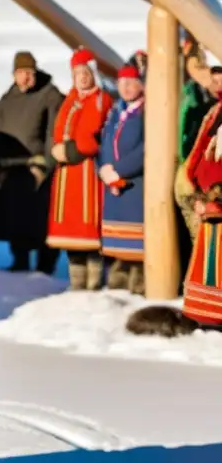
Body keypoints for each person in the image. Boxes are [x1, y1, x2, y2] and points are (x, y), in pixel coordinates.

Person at [0, 51, 64, 274]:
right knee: (16, 219)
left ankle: (45, 266)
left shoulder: (49, 95)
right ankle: (19, 261)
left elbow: (54, 132)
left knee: (41, 221)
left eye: (29, 73)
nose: (25, 79)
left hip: (39, 169)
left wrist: (47, 163)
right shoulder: (9, 98)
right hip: (13, 168)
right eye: (20, 73)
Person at [46, 48, 112, 290]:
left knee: (89, 228)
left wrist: (71, 150)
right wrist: (57, 149)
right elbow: (59, 130)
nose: (82, 77)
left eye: (86, 72)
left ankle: (94, 282)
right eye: (78, 73)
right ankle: (77, 281)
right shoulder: (70, 99)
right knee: (70, 230)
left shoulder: (101, 99)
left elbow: (93, 135)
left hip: (87, 171)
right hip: (68, 173)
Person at [98, 63, 145, 294]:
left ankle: (137, 288)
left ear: (140, 84)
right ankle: (115, 289)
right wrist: (105, 170)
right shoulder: (116, 111)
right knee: (116, 246)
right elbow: (104, 143)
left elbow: (147, 147)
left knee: (136, 247)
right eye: (122, 82)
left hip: (135, 185)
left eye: (131, 82)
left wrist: (121, 170)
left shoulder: (146, 112)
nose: (126, 87)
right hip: (113, 186)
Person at [180, 86, 222, 327]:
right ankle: (205, 316)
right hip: (209, 214)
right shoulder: (213, 130)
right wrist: (198, 198)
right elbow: (194, 167)